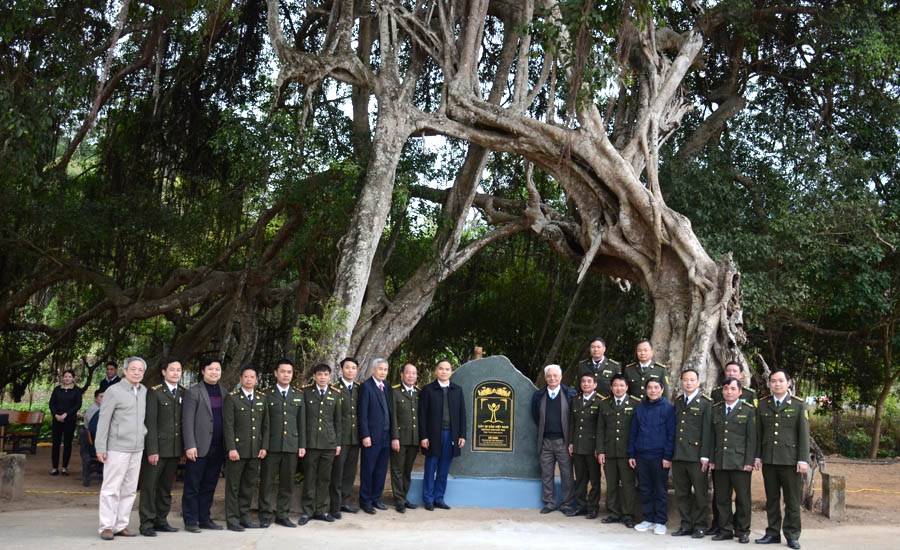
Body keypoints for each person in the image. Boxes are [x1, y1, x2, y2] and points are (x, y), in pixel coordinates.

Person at [754, 370, 809, 550]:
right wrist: (757, 456)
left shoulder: (798, 405)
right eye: (773, 381)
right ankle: (772, 533)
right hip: (769, 460)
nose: (777, 384)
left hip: (790, 461)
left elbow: (803, 435)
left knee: (792, 501)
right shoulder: (763, 405)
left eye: (780, 381)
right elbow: (758, 433)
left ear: (789, 383)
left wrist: (803, 459)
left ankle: (792, 535)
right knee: (772, 499)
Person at [95, 357, 148, 540]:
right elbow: (104, 420)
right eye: (133, 369)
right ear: (125, 371)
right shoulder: (114, 391)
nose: (136, 372)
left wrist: (143, 433)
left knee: (130, 489)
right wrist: (100, 447)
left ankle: (121, 525)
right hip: (117, 447)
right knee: (111, 488)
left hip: (137, 447)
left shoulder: (143, 391)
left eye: (140, 370)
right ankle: (106, 526)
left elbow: (142, 419)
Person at [138, 358, 186, 536]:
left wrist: (182, 449)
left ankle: (161, 520)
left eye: (178, 370)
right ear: (164, 372)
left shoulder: (183, 393)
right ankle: (147, 523)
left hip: (174, 450)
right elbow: (150, 423)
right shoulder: (155, 393)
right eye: (172, 370)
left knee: (166, 488)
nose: (175, 373)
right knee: (150, 487)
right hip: (157, 449)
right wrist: (152, 450)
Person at [709, 360, 757, 535]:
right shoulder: (716, 409)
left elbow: (752, 439)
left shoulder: (749, 410)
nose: (729, 392)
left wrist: (750, 461)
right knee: (722, 498)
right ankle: (725, 529)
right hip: (720, 460)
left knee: (743, 499)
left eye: (732, 389)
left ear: (740, 391)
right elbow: (712, 437)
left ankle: (743, 530)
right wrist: (712, 459)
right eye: (726, 389)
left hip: (740, 461)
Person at [182, 358, 227, 533]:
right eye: (211, 369)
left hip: (217, 447)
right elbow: (187, 421)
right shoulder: (194, 392)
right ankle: (191, 520)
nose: (214, 372)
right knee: (193, 485)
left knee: (209, 485)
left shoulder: (224, 392)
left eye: (217, 369)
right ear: (203, 371)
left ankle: (204, 518)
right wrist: (190, 445)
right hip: (198, 447)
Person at [259, 358, 306, 528]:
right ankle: (264, 514)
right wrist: (262, 445)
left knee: (287, 482)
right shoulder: (265, 394)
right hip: (271, 446)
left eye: (289, 372)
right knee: (266, 481)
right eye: (283, 371)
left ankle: (282, 514)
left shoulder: (298, 395)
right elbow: (262, 423)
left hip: (291, 446)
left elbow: (302, 423)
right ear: (276, 373)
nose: (286, 375)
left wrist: (302, 445)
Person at [224, 365, 269, 531]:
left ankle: (245, 517)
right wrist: (231, 448)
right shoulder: (232, 398)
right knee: (233, 486)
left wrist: (264, 447)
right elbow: (228, 426)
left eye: (252, 377)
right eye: (246, 377)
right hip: (237, 450)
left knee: (248, 486)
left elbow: (266, 426)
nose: (249, 380)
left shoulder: (261, 398)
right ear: (241, 379)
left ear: (256, 380)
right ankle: (232, 520)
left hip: (255, 450)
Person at [418, 358, 466, 511]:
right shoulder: (428, 390)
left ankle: (439, 498)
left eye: (447, 369)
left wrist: (462, 435)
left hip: (451, 435)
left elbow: (462, 414)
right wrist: (424, 436)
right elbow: (422, 415)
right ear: (436, 371)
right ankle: (428, 499)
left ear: (451, 372)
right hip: (433, 435)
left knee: (444, 469)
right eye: (441, 368)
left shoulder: (457, 390)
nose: (444, 371)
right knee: (430, 467)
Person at [628, 378, 675, 536]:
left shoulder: (668, 408)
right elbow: (633, 432)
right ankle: (648, 518)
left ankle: (660, 521)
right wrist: (632, 454)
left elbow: (671, 435)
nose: (653, 390)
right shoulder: (640, 408)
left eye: (656, 387)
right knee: (645, 489)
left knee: (660, 489)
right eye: (649, 387)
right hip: (641, 455)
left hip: (659, 456)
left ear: (662, 390)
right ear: (646, 390)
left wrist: (667, 456)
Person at [671, 368, 713, 538]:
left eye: (692, 380)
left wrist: (705, 456)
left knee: (701, 494)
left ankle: (701, 526)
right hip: (679, 455)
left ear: (698, 382)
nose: (688, 383)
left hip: (697, 457)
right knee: (682, 493)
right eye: (685, 380)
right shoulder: (679, 401)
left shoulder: (706, 403)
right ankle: (686, 524)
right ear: (682, 382)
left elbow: (708, 431)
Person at [531, 364, 577, 516]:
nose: (552, 378)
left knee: (567, 474)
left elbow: (574, 418)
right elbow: (536, 416)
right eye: (549, 376)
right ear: (545, 378)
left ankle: (567, 504)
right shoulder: (538, 395)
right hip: (545, 441)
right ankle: (550, 503)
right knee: (546, 473)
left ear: (561, 377)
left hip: (564, 441)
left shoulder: (570, 394)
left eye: (555, 375)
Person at [597, 374, 641, 528]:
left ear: (627, 387)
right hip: (609, 452)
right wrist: (601, 451)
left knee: (628, 484)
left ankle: (628, 514)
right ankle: (614, 513)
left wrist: (634, 453)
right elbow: (600, 429)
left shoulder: (635, 403)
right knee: (611, 484)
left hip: (627, 453)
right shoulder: (604, 404)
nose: (618, 388)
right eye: (615, 385)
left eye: (622, 385)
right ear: (611, 387)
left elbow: (637, 431)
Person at [300, 363, 342, 524]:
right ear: (314, 376)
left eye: (326, 375)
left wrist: (337, 443)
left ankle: (322, 510)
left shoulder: (335, 394)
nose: (323, 377)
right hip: (311, 443)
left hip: (329, 444)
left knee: (324, 479)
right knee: (310, 478)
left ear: (330, 377)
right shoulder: (305, 393)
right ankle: (308, 511)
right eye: (320, 374)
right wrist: (302, 444)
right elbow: (302, 420)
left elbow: (338, 422)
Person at [358, 358, 393, 514]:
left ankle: (376, 499)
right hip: (371, 437)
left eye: (385, 369)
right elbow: (362, 414)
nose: (383, 372)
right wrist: (365, 435)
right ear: (373, 370)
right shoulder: (366, 387)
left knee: (381, 470)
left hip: (386, 435)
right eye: (380, 369)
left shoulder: (386, 387)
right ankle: (365, 502)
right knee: (368, 470)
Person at [329, 357, 360, 519]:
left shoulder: (358, 389)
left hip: (355, 438)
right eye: (347, 367)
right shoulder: (334, 389)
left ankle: (344, 502)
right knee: (337, 473)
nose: (350, 370)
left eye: (353, 368)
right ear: (341, 369)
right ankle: (334, 506)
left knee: (350, 472)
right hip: (340, 439)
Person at [569, 373, 602, 518]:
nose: (586, 384)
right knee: (581, 478)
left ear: (595, 385)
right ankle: (581, 505)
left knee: (595, 479)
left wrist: (599, 448)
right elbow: (572, 423)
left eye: (589, 382)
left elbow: (601, 427)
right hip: (578, 445)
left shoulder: (601, 401)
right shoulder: (575, 400)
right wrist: (571, 442)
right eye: (583, 381)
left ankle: (593, 507)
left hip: (592, 447)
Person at [390, 363, 419, 513]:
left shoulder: (418, 393)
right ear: (402, 374)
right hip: (400, 438)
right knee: (397, 469)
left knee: (407, 470)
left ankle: (404, 496)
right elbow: (393, 416)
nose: (411, 376)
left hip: (414, 439)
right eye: (408, 373)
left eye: (413, 373)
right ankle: (398, 500)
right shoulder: (394, 392)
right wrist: (394, 437)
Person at [49, 369, 83, 476]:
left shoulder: (77, 390)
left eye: (69, 377)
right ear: (62, 378)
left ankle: (64, 467)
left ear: (73, 378)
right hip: (57, 420)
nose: (67, 378)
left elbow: (78, 405)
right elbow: (51, 404)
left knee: (68, 444)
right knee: (56, 443)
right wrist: (56, 415)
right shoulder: (57, 389)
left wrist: (66, 414)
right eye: (65, 376)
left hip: (69, 420)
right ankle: (54, 468)